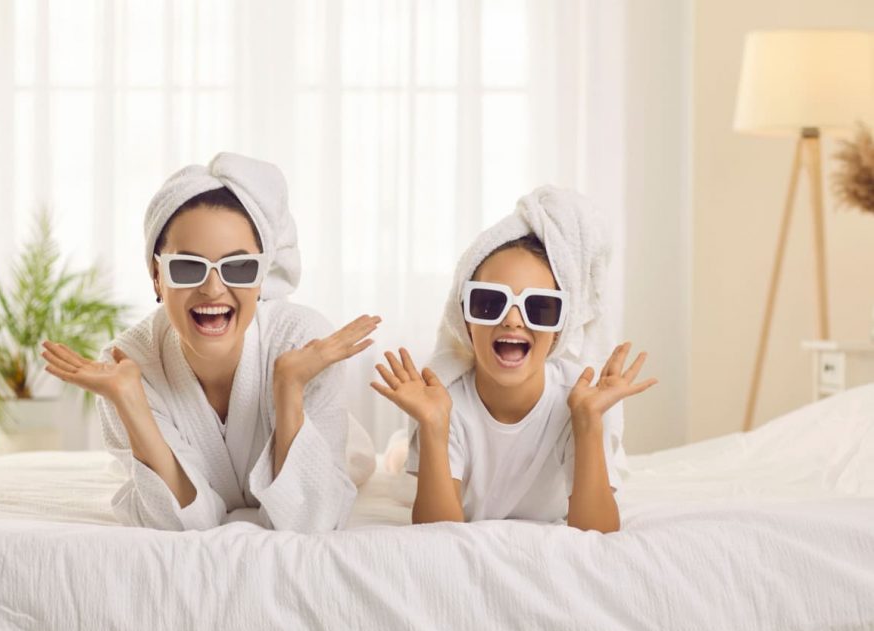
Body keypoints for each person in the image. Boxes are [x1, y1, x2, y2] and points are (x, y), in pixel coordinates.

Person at [43, 153, 379, 532]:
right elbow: (180, 522)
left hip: (342, 450)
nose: (213, 288)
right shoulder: (128, 364)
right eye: (187, 267)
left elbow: (309, 520)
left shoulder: (302, 340)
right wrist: (132, 403)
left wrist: (288, 387)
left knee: (364, 460)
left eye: (238, 267)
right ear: (156, 276)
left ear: (261, 277)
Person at [371, 186, 656, 532]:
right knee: (400, 463)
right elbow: (437, 534)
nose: (513, 320)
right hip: (449, 459)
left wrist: (588, 422)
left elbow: (597, 530)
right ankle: (401, 451)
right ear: (465, 319)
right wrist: (433, 427)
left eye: (539, 308)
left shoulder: (577, 400)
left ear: (558, 331)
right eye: (490, 303)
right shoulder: (448, 403)